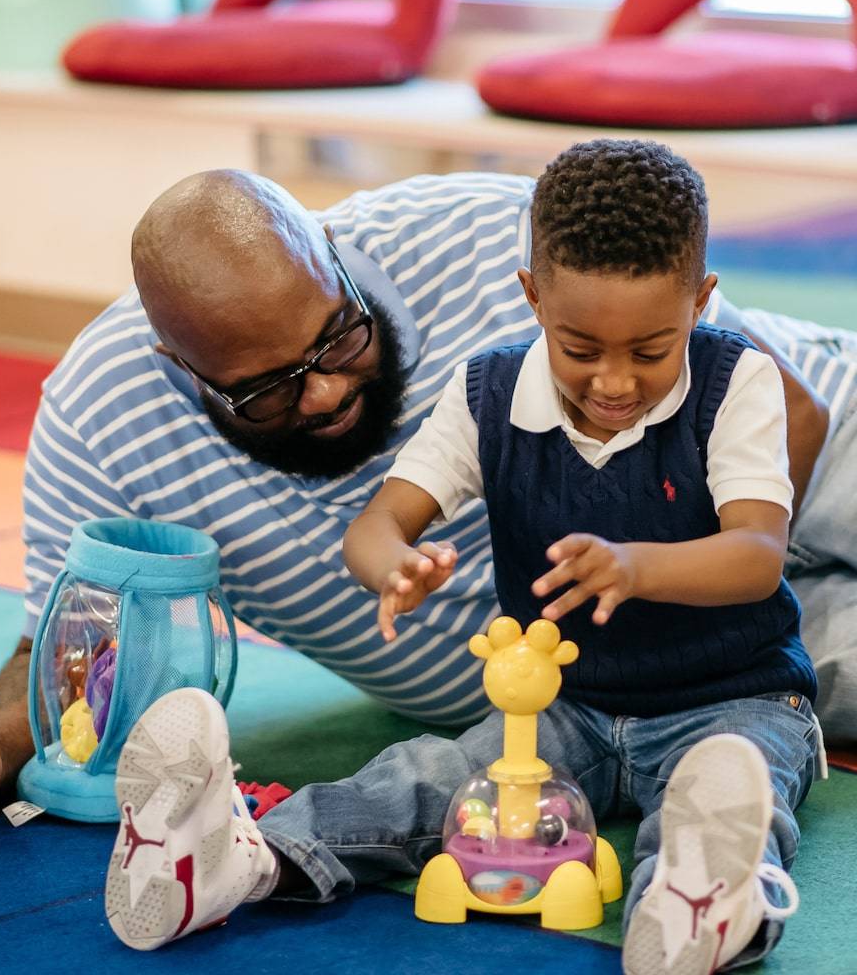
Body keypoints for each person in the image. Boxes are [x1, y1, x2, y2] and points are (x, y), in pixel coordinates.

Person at [0, 150, 856, 841]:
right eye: (267, 389)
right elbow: (73, 649)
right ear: (181, 372)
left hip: (786, 489)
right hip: (643, 652)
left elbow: (793, 410)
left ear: (335, 257)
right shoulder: (103, 421)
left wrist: (659, 566)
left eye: (337, 337)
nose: (328, 391)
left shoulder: (484, 239)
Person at [102, 141, 819, 975]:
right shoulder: (488, 393)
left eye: (650, 352)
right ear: (532, 297)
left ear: (701, 303)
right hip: (565, 707)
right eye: (580, 349)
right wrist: (394, 567)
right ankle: (233, 859)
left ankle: (700, 902)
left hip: (737, 699)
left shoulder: (738, 384)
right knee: (429, 777)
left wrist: (637, 567)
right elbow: (373, 528)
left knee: (731, 789)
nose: (615, 382)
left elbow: (758, 557)